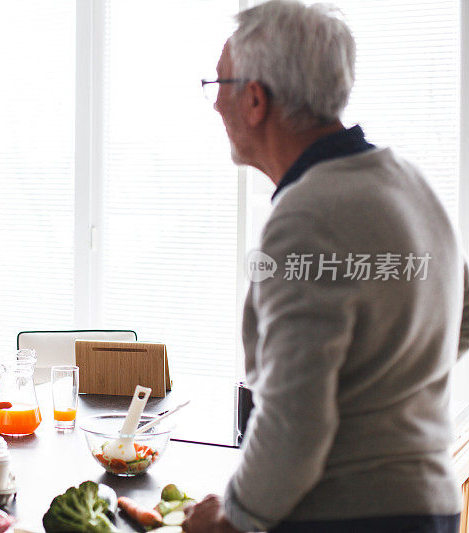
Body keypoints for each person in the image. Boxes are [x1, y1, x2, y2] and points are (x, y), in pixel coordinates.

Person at [184, 2, 467, 532]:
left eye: (217, 84)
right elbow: (460, 317)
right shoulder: (409, 181)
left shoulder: (309, 215)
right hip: (429, 504)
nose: (213, 103)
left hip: (350, 514)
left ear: (254, 99)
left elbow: (294, 424)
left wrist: (229, 520)